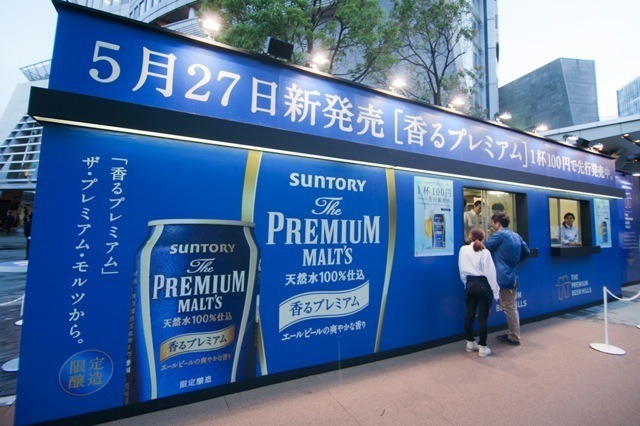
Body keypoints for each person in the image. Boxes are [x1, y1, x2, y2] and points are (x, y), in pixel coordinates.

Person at [484, 212, 530, 346]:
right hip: (512, 274)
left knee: (509, 307)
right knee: (511, 305)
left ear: (498, 223)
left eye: (493, 222)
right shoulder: (516, 235)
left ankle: (514, 336)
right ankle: (513, 334)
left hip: (503, 276)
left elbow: (485, 246)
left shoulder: (499, 234)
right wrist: (513, 261)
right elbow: (526, 251)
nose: (492, 225)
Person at [458, 228, 500, 357]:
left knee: (469, 315)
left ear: (469, 237)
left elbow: (461, 269)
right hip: (483, 286)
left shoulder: (463, 249)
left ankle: (470, 343)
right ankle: (483, 347)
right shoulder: (485, 252)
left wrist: (466, 284)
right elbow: (491, 273)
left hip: (470, 285)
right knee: (483, 317)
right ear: (483, 238)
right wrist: (495, 291)